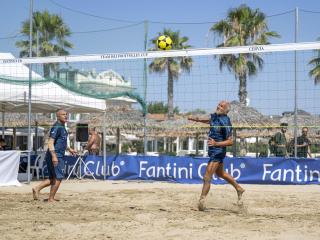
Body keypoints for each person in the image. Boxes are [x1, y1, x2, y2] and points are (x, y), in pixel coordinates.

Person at [188, 100, 245, 211]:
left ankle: (202, 202)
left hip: (218, 151)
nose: (218, 106)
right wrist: (195, 119)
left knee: (207, 177)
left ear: (225, 110)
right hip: (213, 150)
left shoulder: (225, 121)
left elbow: (230, 142)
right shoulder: (215, 117)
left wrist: (216, 143)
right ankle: (239, 188)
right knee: (220, 173)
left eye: (221, 106)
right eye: (218, 104)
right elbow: (210, 121)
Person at [32, 109, 76, 202]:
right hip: (56, 155)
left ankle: (37, 188)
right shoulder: (57, 127)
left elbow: (60, 141)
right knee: (58, 178)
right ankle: (51, 198)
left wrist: (69, 149)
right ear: (58, 116)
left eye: (66, 114)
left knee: (53, 178)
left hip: (55, 154)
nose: (66, 116)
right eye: (63, 114)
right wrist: (54, 156)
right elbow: (50, 142)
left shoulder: (62, 127)